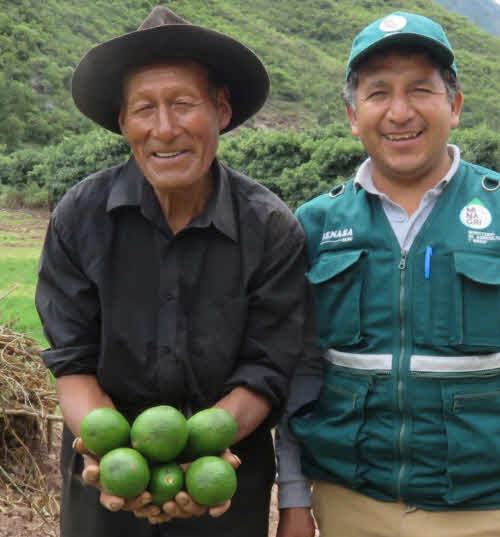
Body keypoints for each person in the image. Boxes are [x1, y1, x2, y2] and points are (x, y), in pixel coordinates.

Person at [35, 6, 308, 537]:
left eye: (183, 104)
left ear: (221, 111)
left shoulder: (271, 228)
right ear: (123, 122)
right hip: (105, 475)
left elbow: (267, 370)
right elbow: (72, 360)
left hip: (223, 479)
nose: (164, 128)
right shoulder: (80, 215)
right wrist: (112, 454)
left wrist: (200, 453)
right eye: (144, 108)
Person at [276, 11, 500, 537]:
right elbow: (293, 370)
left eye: (420, 90)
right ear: (354, 115)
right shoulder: (314, 224)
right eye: (378, 94)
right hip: (352, 504)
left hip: (487, 505)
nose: (400, 112)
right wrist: (291, 498)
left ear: (456, 106)